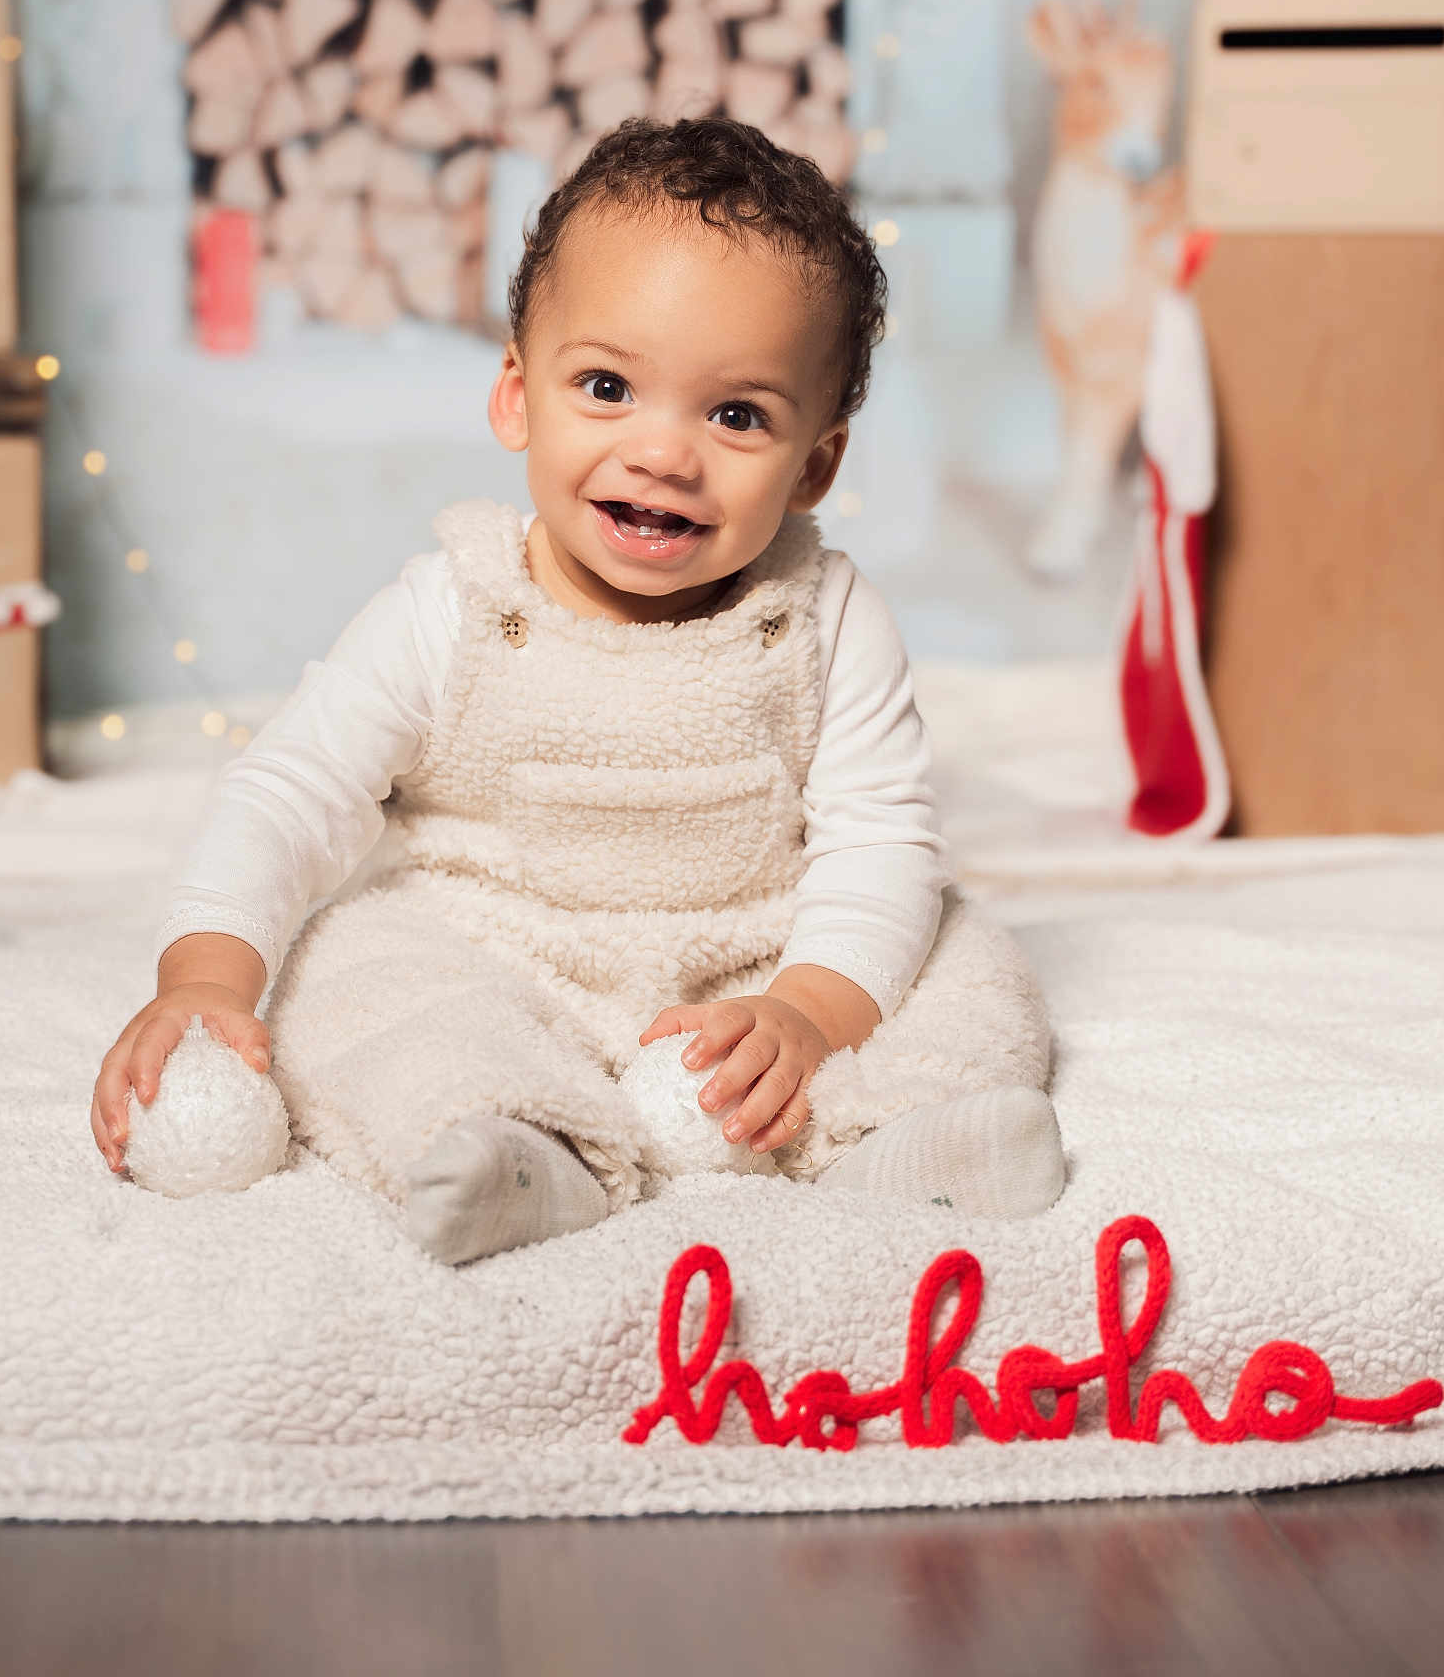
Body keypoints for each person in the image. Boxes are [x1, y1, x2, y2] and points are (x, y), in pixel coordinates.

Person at [89, 116, 1065, 1264]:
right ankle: (515, 1144)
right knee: (349, 976)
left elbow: (878, 840)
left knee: (963, 961)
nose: (662, 454)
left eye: (735, 414)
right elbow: (291, 792)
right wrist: (205, 979)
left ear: (814, 464)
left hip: (756, 957)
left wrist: (808, 1012)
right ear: (516, 396)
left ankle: (903, 1141)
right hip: (497, 947)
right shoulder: (454, 608)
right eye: (607, 386)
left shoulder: (823, 618)